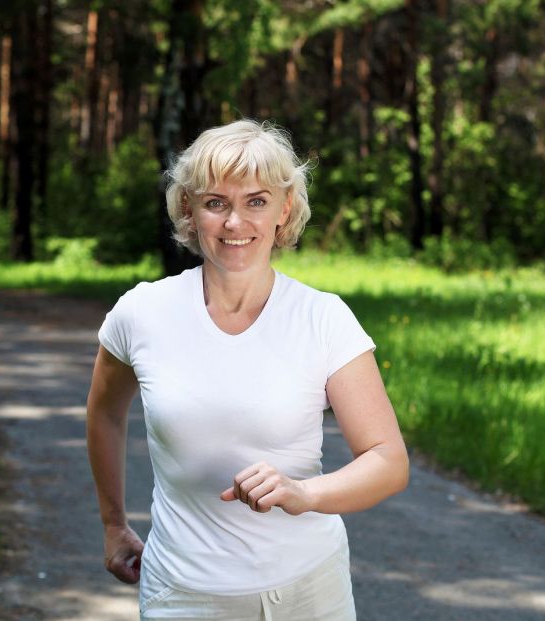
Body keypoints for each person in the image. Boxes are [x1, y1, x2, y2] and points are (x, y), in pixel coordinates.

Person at [85, 119, 409, 620]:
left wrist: (304, 493)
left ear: (284, 210)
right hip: (182, 594)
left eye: (256, 201)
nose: (235, 223)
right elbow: (105, 414)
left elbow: (387, 459)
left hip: (308, 592)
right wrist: (112, 524)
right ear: (189, 211)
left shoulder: (323, 318)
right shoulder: (142, 312)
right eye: (216, 203)